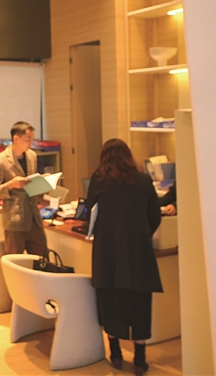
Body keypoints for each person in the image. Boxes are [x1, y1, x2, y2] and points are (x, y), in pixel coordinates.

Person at [84, 138, 163, 376]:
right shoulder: (143, 180)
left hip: (107, 251)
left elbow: (89, 212)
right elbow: (155, 216)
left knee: (110, 301)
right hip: (138, 251)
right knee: (140, 303)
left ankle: (116, 355)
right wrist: (141, 234)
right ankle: (140, 360)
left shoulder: (98, 181)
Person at [0, 121, 47, 256]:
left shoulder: (32, 155)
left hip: (34, 217)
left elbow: (30, 183)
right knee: (14, 261)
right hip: (15, 220)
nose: (31, 142)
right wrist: (11, 185)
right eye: (28, 139)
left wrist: (42, 182)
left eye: (32, 139)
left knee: (42, 259)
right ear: (16, 139)